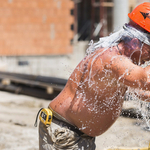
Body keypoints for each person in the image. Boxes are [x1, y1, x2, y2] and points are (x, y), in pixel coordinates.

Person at [38, 2, 150, 150]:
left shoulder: (122, 62)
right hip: (64, 133)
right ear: (136, 42)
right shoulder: (112, 60)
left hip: (74, 134)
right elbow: (145, 80)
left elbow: (141, 91)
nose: (148, 58)